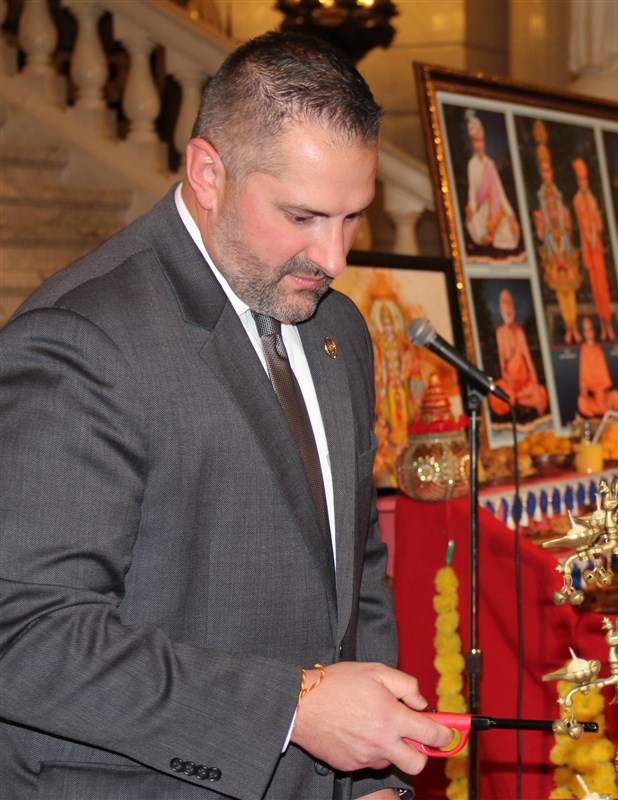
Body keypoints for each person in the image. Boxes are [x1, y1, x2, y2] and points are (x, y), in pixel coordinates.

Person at [0, 32, 450, 799]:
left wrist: (374, 775)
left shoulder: (335, 327)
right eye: (304, 216)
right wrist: (291, 708)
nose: (335, 257)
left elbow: (354, 562)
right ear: (208, 173)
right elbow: (28, 639)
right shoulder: (82, 340)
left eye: (352, 218)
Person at [530, 121, 582, 344]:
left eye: (549, 170)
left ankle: (574, 324)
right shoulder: (540, 197)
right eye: (543, 170)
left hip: (564, 245)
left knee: (571, 287)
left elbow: (566, 221)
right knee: (560, 290)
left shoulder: (558, 195)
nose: (547, 174)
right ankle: (568, 325)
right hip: (553, 248)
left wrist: (565, 223)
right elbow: (541, 227)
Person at [571, 158, 615, 340]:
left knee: (603, 287)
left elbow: (598, 223)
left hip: (597, 248)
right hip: (589, 249)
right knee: (595, 288)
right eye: (580, 180)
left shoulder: (592, 199)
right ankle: (602, 324)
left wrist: (596, 224)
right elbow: (581, 226)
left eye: (585, 179)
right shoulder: (577, 200)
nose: (583, 183)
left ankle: (608, 323)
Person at [463, 110, 521, 252]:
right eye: (475, 141)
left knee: (512, 231)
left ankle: (493, 236)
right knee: (473, 223)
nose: (479, 145)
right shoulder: (472, 164)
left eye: (480, 140)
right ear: (472, 143)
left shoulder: (490, 163)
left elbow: (500, 192)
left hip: (495, 209)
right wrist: (471, 207)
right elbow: (472, 190)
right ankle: (485, 236)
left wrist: (511, 215)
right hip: (481, 210)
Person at [489, 287, 549, 420]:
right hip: (511, 384)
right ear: (500, 308)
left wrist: (534, 385)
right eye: (504, 302)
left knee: (541, 393)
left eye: (510, 302)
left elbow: (529, 362)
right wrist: (509, 382)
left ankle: (522, 399)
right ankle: (518, 399)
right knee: (501, 396)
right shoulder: (500, 333)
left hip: (525, 383)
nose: (508, 307)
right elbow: (502, 367)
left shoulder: (519, 332)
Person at [576, 315, 618, 417]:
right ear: (583, 332)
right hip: (593, 399)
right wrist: (584, 391)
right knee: (582, 402)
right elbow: (583, 374)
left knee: (617, 396)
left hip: (603, 395)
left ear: (594, 330)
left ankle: (607, 411)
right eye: (586, 330)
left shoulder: (599, 349)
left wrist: (605, 396)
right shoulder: (583, 349)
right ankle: (599, 414)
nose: (589, 333)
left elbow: (604, 373)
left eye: (590, 329)